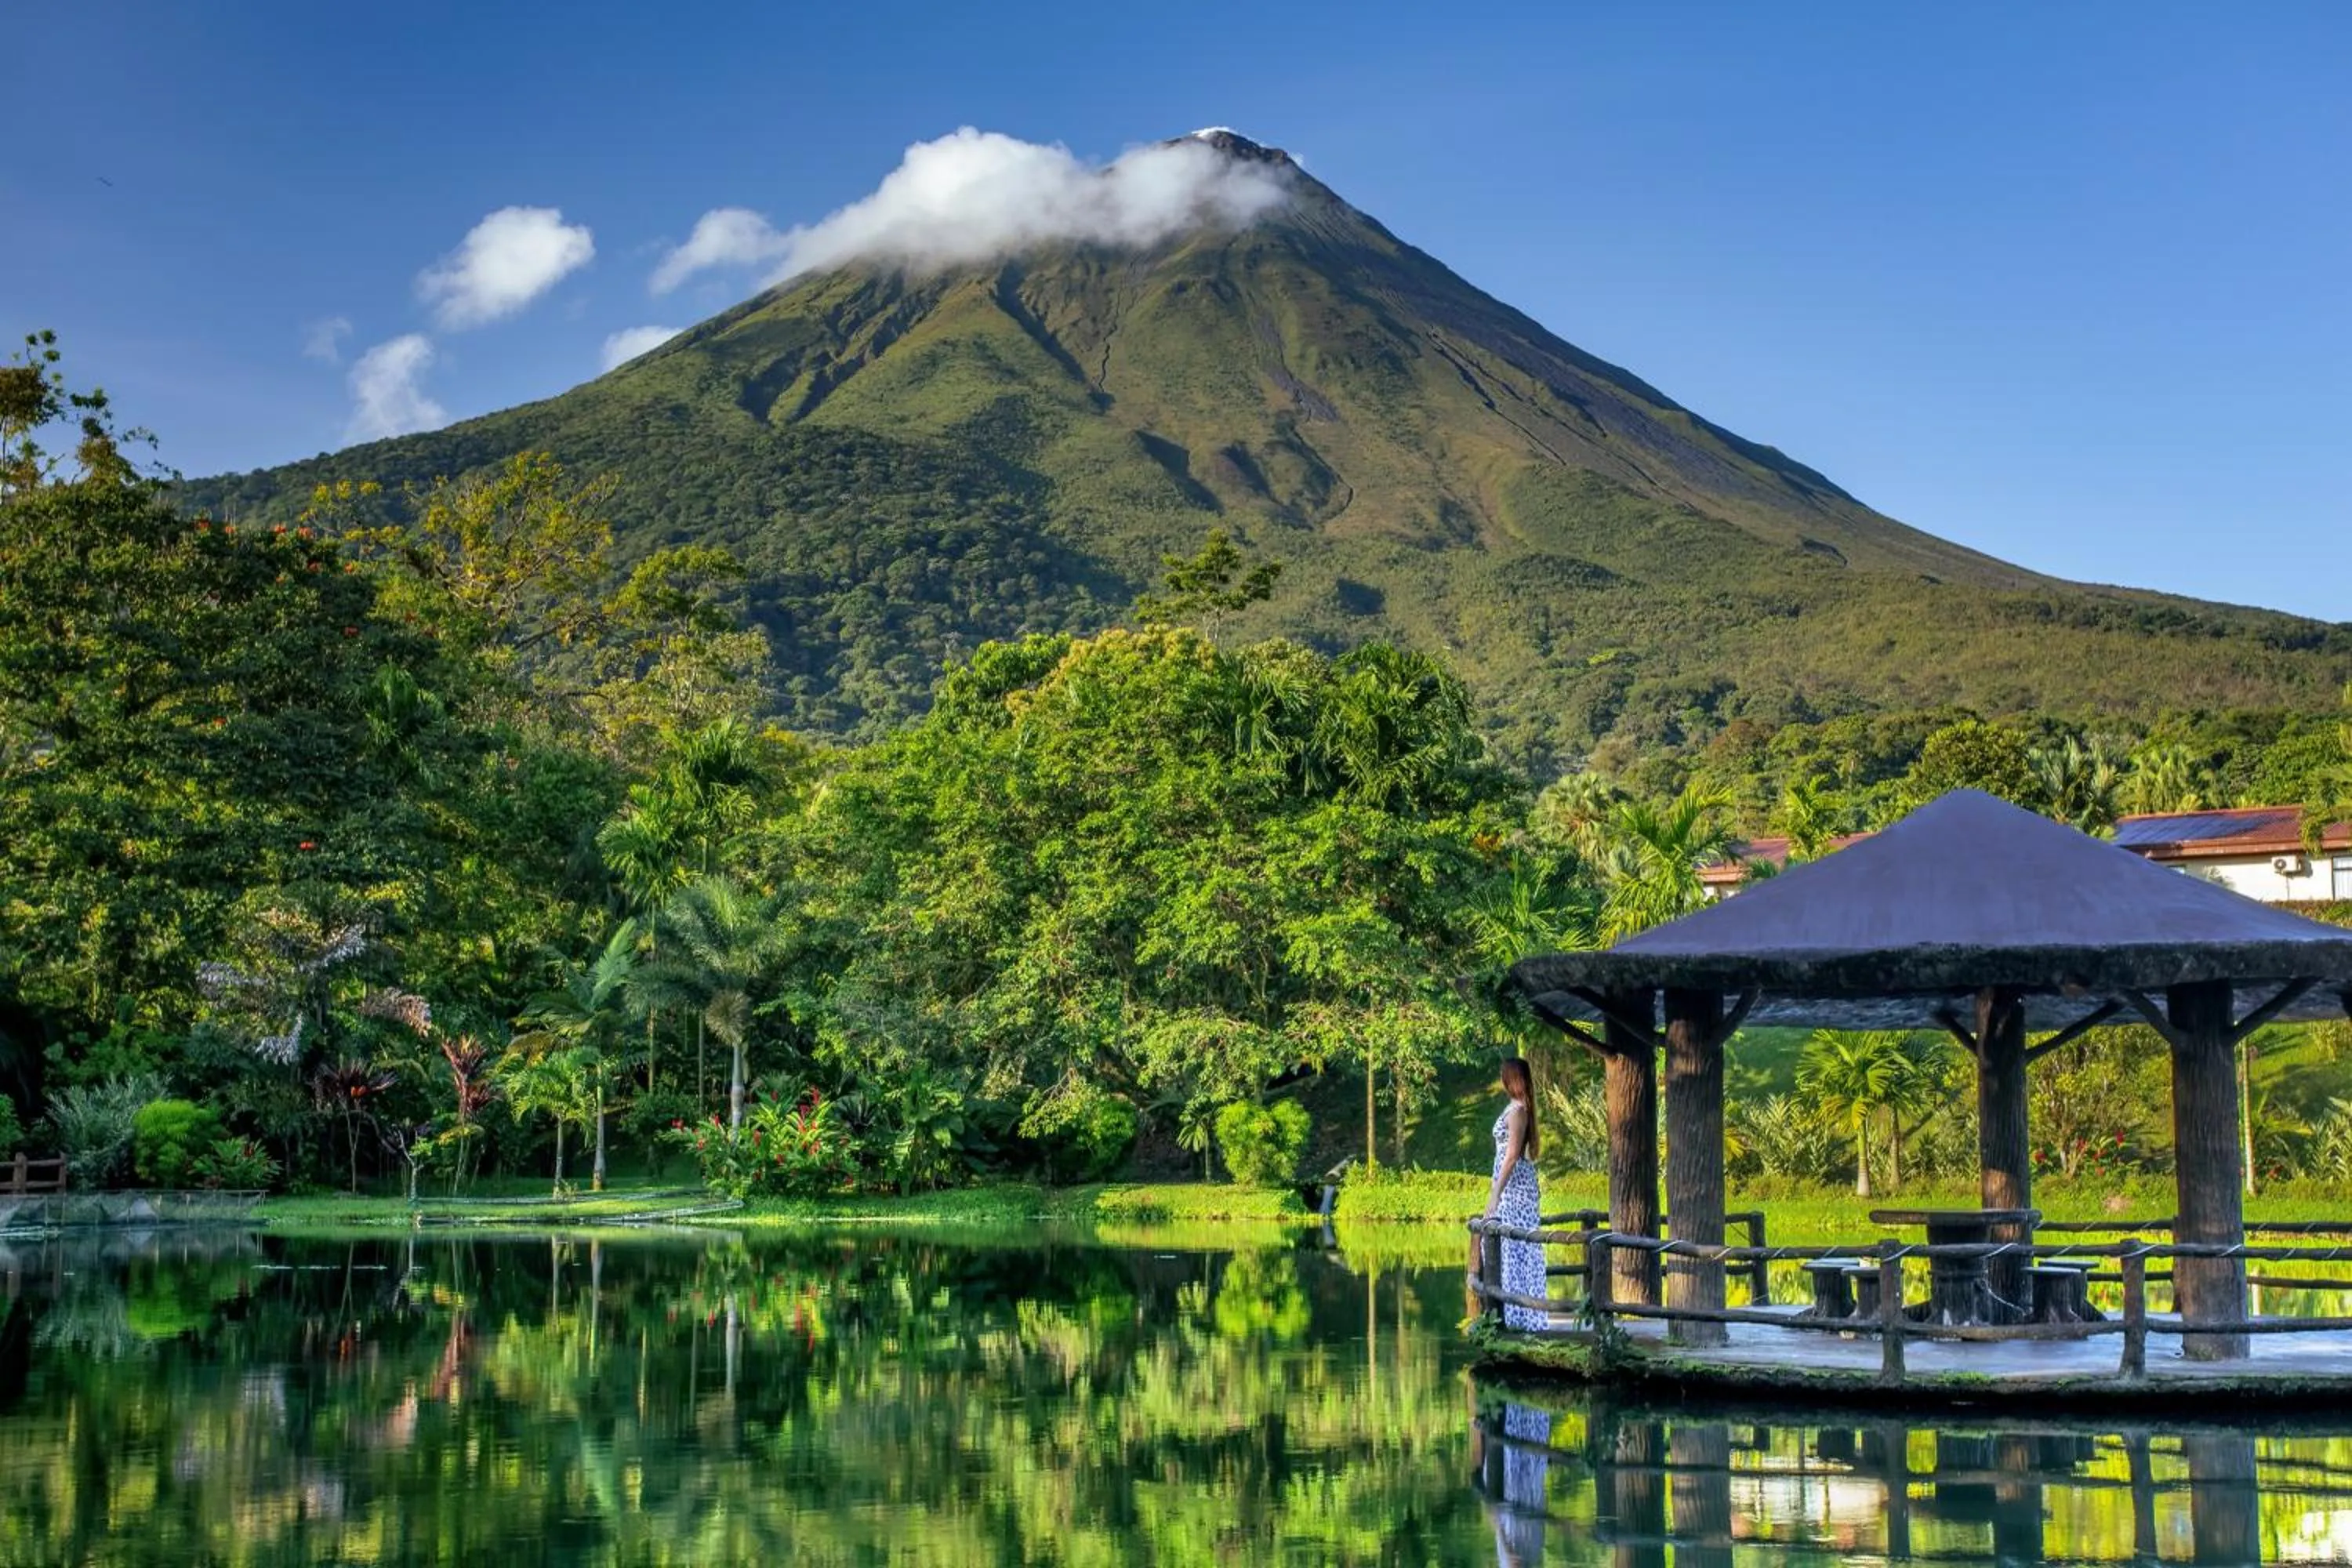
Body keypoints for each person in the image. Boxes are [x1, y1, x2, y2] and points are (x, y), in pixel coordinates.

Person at [1484, 1057, 1545, 1330]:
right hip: (1508, 1185)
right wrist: (1494, 1189)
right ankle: (1511, 1314)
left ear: (1512, 1078)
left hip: (1515, 1186)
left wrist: (1496, 1193)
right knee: (1505, 1245)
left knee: (1517, 1245)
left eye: (1504, 1075)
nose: (1501, 1079)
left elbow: (1511, 1157)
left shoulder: (1519, 1111)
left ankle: (1520, 1316)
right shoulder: (1516, 1109)